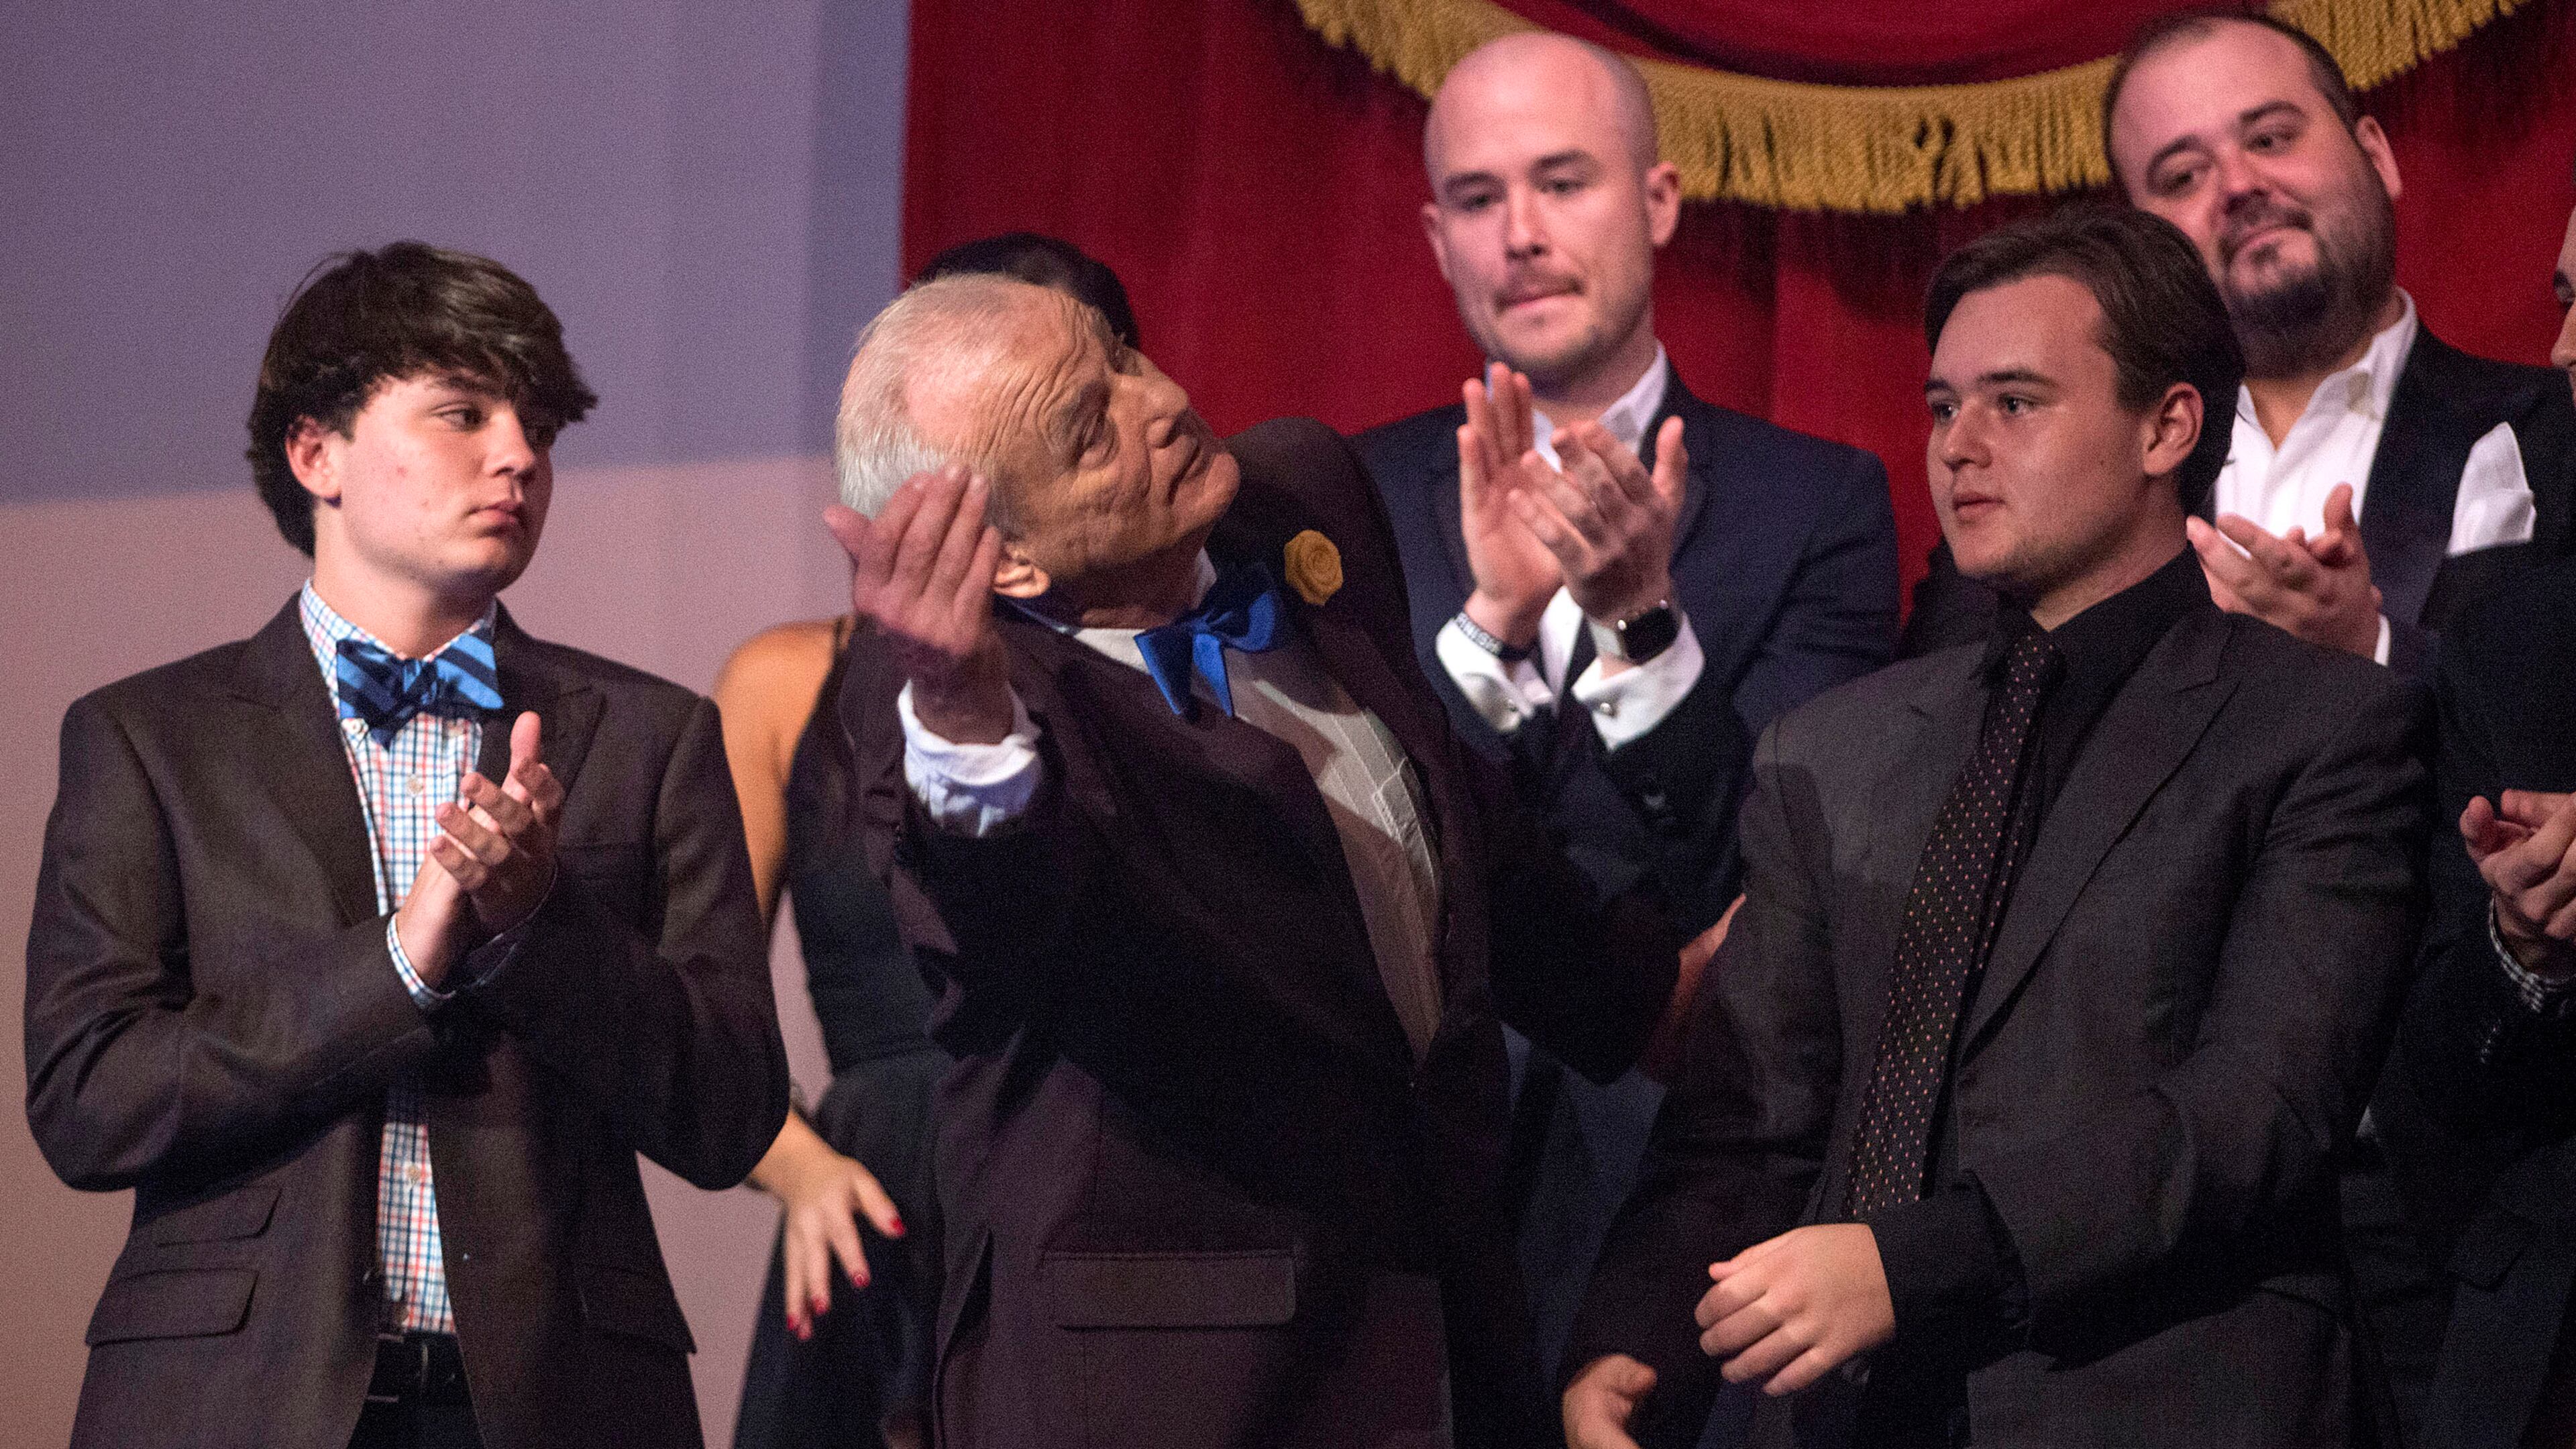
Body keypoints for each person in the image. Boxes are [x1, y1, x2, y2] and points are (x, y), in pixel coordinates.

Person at [1562, 207, 2431, 1449]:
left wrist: (1913, 1262)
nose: (1959, 447)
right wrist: (1633, 1336)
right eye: (1939, 407)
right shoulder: (1837, 750)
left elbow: (2257, 1113)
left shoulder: (2322, 726)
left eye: (2015, 403)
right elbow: (1749, 1116)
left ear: (2167, 426)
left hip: (2167, 1399)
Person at [823, 272, 1731, 1447]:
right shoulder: (946, 699)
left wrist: (1642, 997)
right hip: (1179, 1400)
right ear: (1009, 565)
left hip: (1453, 1344)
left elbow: (1428, 812)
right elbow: (991, 901)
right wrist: (956, 705)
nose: (1159, 401)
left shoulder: (1301, 496)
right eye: (1090, 431)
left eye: (1121, 355)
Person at [22, 242, 792, 1449]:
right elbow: (91, 1101)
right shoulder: (149, 738)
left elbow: (731, 1112)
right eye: (463, 413)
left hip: (560, 1400)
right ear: (315, 452)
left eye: (538, 428)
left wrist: (540, 928)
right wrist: (400, 964)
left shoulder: (650, 736)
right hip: (236, 1400)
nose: (519, 457)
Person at [1354, 32, 1898, 1383]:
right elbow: (1351, 848)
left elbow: (1779, 869)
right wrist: (1483, 634)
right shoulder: (1347, 501)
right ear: (1435, 238)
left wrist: (1643, 628)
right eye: (1479, 201)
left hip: (1680, 1184)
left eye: (1562, 182)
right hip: (1412, 1191)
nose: (1521, 235)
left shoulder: (1815, 504)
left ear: (1657, 202)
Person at [721, 231, 1142, 1449]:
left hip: (1105, 1198)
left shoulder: (1152, 675)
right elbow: (689, 1005)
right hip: (883, 1208)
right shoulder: (784, 681)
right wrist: (797, 1165)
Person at [1901, 11, 2576, 670]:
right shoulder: (2070, 465)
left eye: (2272, 138)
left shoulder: (2555, 429)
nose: (2239, 186)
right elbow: (1942, 726)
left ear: (2377, 155)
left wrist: (2370, 649)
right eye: (2183, 176)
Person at [2364, 182, 2576, 1448]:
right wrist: (2524, 951)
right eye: (2565, 299)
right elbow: (2435, 1079)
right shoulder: (2511, 636)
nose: (2559, 352)